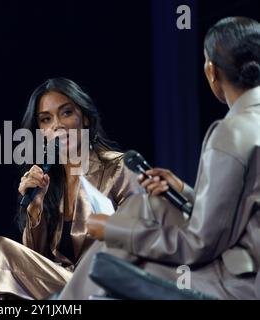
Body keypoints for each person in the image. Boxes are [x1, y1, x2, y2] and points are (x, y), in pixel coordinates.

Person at [58, 16, 260, 300]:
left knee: (114, 257)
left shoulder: (231, 132)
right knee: (149, 205)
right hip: (243, 263)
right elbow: (242, 213)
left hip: (237, 282)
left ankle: (65, 302)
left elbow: (198, 244)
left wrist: (112, 229)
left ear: (212, 71)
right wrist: (184, 192)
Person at [0, 78, 141, 300]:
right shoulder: (50, 180)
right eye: (46, 119)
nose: (57, 125)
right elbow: (34, 265)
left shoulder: (118, 168)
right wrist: (35, 209)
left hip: (104, 287)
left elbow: (141, 241)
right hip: (61, 292)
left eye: (66, 113)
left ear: (85, 118)